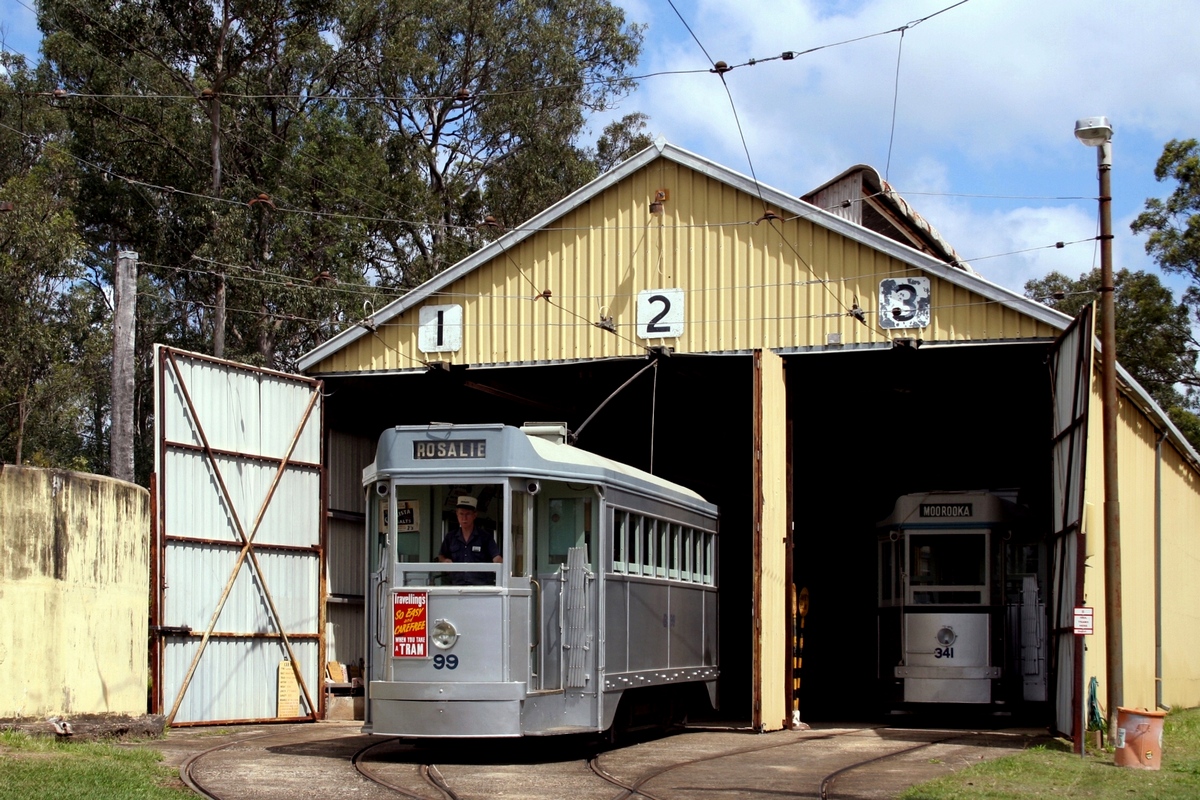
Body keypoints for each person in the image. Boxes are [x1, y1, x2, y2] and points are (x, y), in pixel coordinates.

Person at [436, 496, 501, 585]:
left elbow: (496, 558)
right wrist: (444, 561)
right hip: (456, 587)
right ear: (457, 514)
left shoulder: (485, 537)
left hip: (480, 588)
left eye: (468, 514)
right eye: (461, 514)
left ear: (475, 515)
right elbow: (441, 556)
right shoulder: (450, 537)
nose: (464, 518)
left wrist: (502, 565)